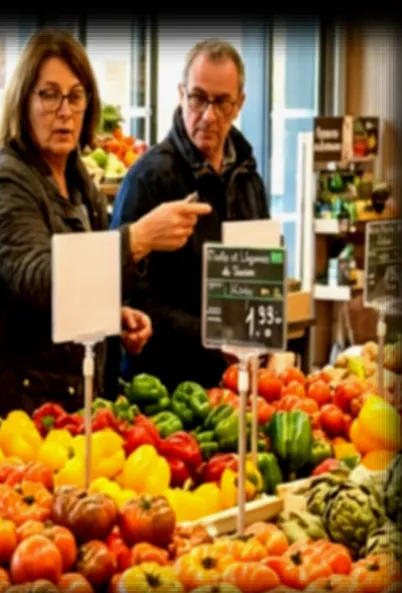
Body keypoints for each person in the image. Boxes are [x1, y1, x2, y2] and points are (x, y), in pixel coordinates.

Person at [0, 30, 184, 435]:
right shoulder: (6, 178)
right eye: (49, 95)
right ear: (23, 100)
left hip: (58, 408)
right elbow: (37, 278)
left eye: (75, 96)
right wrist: (137, 238)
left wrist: (111, 317)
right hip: (2, 415)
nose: (64, 111)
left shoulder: (77, 177)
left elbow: (79, 276)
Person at [110, 39, 269, 391]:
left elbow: (261, 276)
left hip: (231, 387)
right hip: (160, 389)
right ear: (181, 95)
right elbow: (125, 297)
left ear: (239, 104)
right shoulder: (148, 178)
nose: (209, 115)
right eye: (198, 99)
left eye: (222, 102)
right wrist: (214, 336)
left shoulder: (249, 180)